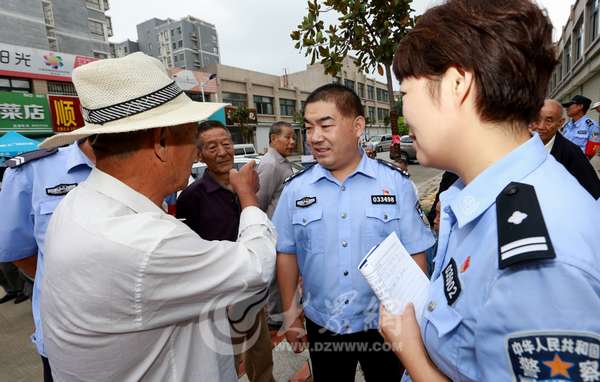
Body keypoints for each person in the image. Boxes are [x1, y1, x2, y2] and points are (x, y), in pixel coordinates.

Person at [379, 1, 600, 381]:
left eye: (406, 92)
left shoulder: (539, 262)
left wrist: (411, 353)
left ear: (457, 84)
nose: (403, 112)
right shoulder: (486, 196)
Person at [38, 52, 276, 382]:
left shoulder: (77, 203)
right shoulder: (143, 242)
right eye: (193, 136)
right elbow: (256, 268)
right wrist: (249, 199)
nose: (196, 151)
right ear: (161, 142)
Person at [273, 83, 435, 382]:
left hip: (385, 324)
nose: (315, 137)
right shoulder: (296, 190)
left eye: (326, 125)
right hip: (323, 322)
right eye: (308, 128)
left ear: (357, 126)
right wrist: (290, 313)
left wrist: (415, 320)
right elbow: (287, 253)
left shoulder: (395, 184)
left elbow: (415, 254)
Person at [176, 120, 275, 382]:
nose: (222, 151)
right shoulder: (190, 197)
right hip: (217, 298)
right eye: (212, 147)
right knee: (222, 361)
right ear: (200, 154)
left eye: (226, 144)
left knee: (262, 356)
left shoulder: (249, 184)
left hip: (251, 289)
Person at [0, 140, 94, 381]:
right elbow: (18, 252)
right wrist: (60, 280)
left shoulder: (150, 165)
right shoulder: (32, 171)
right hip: (66, 337)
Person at [256, 121, 296, 330]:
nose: (292, 142)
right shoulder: (270, 164)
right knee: (275, 275)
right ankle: (275, 317)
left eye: (293, 137)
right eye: (287, 137)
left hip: (285, 230)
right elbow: (259, 201)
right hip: (274, 230)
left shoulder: (281, 161)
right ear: (273, 139)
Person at [530, 99, 600, 199]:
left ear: (560, 122)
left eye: (549, 121)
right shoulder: (568, 125)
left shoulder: (591, 125)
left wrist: (586, 158)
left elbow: (594, 143)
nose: (541, 126)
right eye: (536, 119)